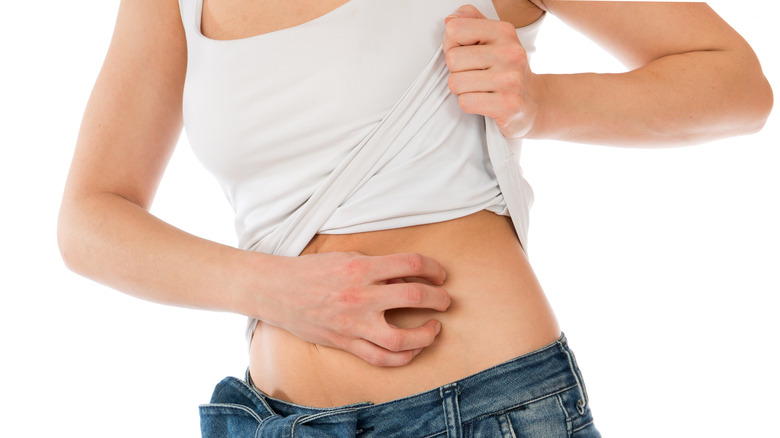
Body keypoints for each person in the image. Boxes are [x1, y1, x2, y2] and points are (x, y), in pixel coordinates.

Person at [57, 0, 772, 436]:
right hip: (268, 422)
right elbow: (90, 219)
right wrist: (273, 290)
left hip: (479, 413)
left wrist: (542, 103)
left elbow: (736, 83)